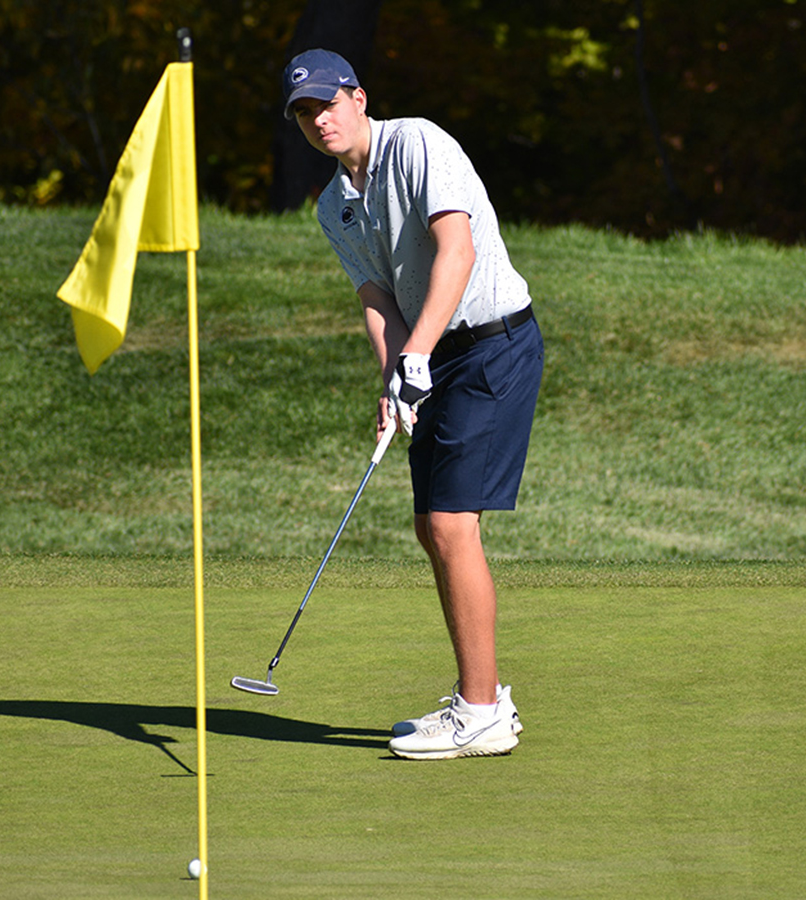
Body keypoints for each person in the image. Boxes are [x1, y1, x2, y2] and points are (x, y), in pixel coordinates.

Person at [281, 49, 545, 760]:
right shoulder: (332, 205)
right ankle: (482, 698)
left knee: (451, 524)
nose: (319, 119)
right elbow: (376, 297)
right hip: (436, 353)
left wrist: (419, 355)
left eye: (328, 103)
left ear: (359, 98)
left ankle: (482, 711)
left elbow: (455, 252)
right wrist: (398, 378)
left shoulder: (418, 143)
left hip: (493, 342)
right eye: (305, 112)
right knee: (433, 530)